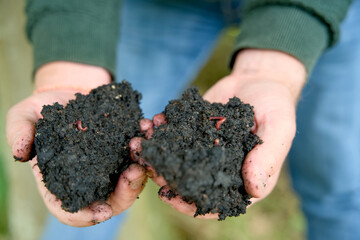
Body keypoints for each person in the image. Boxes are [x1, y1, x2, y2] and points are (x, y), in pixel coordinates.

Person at [6, 0, 359, 239]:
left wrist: (279, 58)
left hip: (319, 9)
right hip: (161, 6)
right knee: (87, 206)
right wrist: (70, 60)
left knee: (340, 185)